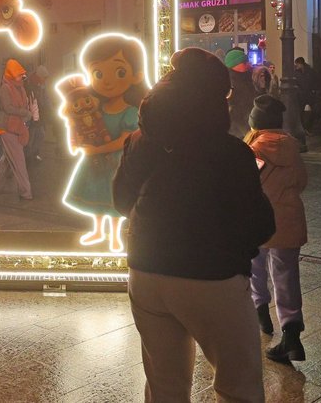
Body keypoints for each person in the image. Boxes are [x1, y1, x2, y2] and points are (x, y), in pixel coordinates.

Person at [113, 47, 275, 402]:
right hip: (211, 278)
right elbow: (260, 225)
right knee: (238, 384)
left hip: (146, 271)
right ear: (213, 101)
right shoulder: (231, 153)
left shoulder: (140, 142)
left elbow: (121, 202)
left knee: (164, 385)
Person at [60, 34, 147, 251]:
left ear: (136, 75)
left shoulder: (130, 111)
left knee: (113, 198)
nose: (106, 81)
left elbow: (125, 139)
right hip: (94, 162)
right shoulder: (95, 107)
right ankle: (98, 231)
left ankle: (115, 234)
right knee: (96, 195)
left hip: (116, 162)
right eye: (98, 73)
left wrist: (97, 149)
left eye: (119, 72)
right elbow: (80, 122)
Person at [245, 94, 309, 364]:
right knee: (286, 275)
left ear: (255, 123)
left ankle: (260, 312)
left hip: (258, 219)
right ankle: (291, 335)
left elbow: (245, 183)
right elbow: (301, 182)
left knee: (254, 266)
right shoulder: (292, 147)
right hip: (290, 219)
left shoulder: (254, 149)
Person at [0, 59, 33, 200]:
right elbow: (7, 108)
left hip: (16, 126)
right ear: (12, 74)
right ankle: (26, 191)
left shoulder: (20, 87)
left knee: (7, 158)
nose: (22, 77)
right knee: (18, 160)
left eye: (22, 75)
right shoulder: (5, 88)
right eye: (19, 75)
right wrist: (25, 113)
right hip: (7, 127)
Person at [224, 48, 255, 138]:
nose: (248, 65)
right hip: (238, 129)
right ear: (236, 65)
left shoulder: (247, 78)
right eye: (245, 63)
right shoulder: (229, 83)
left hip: (246, 125)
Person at [294, 57, 318, 133]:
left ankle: (307, 127)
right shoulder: (297, 72)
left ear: (301, 64)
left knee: (315, 110)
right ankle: (304, 128)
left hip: (309, 94)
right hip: (302, 94)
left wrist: (314, 90)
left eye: (297, 64)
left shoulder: (310, 71)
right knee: (300, 112)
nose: (296, 65)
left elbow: (315, 81)